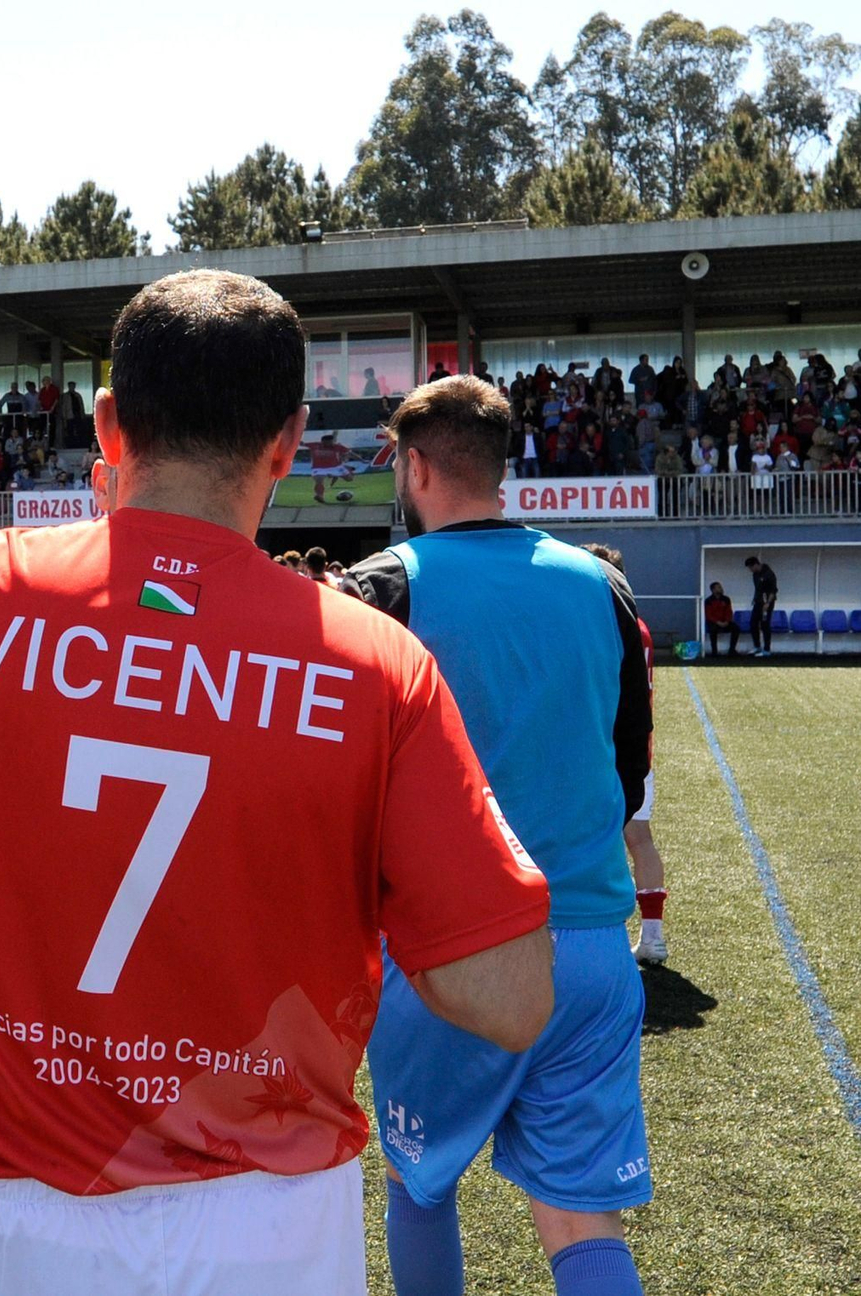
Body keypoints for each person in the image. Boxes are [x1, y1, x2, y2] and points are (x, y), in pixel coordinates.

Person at [0, 285, 552, 1295]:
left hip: (1, 1216)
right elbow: (507, 998)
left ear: (107, 424)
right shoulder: (375, 668)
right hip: (269, 1226)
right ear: (286, 443)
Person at [349, 375, 654, 1296]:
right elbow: (629, 767)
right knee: (575, 1213)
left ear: (415, 467)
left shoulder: (387, 586)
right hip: (595, 947)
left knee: (418, 1183)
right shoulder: (602, 582)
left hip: (450, 950)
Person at [584, 545, 672, 967]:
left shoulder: (606, 623)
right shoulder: (639, 625)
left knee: (594, 842)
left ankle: (604, 940)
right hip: (638, 749)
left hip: (603, 750)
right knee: (640, 840)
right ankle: (652, 937)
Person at [745, 556, 778, 657]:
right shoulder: (755, 574)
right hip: (758, 602)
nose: (750, 570)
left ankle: (767, 650)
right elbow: (758, 588)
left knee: (765, 625)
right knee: (753, 623)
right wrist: (755, 598)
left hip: (767, 603)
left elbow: (773, 591)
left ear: (756, 565)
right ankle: (757, 646)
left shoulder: (769, 574)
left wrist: (767, 603)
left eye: (751, 568)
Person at [704, 581, 739, 656]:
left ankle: (732, 650)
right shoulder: (708, 601)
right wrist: (718, 622)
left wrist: (727, 621)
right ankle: (714, 651)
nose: (721, 589)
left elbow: (729, 612)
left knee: (736, 628)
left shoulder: (726, 599)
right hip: (714, 623)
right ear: (713, 590)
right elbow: (709, 615)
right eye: (719, 587)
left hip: (725, 622)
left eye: (721, 587)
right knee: (712, 630)